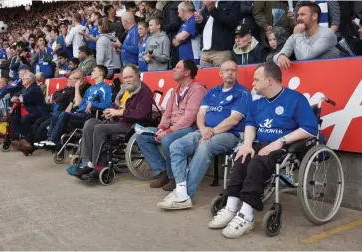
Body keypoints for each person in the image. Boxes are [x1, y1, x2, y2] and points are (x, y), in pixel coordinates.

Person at [207, 62, 318, 239]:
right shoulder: (257, 103)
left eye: (256, 79)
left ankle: (247, 214)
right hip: (261, 143)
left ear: (269, 80)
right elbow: (250, 125)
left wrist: (280, 142)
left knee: (257, 163)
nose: (253, 83)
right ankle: (231, 205)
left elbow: (310, 129)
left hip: (285, 146)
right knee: (242, 157)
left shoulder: (296, 99)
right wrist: (247, 145)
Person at [157, 61, 252, 210]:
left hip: (229, 135)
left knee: (204, 147)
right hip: (204, 131)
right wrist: (203, 129)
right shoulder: (213, 91)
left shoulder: (243, 93)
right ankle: (181, 191)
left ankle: (184, 195)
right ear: (220, 73)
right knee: (176, 146)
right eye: (226, 70)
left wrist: (211, 132)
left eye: (233, 70)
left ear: (237, 73)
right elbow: (200, 114)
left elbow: (233, 120)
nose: (229, 73)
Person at [70, 64, 153, 178]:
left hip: (129, 125)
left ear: (138, 76)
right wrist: (110, 111)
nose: (128, 80)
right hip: (115, 121)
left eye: (130, 77)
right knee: (90, 123)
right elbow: (116, 104)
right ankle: (86, 162)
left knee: (99, 129)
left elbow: (140, 114)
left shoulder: (144, 92)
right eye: (125, 77)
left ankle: (97, 165)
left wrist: (120, 113)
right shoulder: (125, 89)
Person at [136, 59, 207, 190]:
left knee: (167, 139)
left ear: (187, 72)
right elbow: (167, 113)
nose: (173, 69)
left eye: (177, 67)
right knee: (142, 137)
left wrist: (168, 132)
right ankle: (162, 171)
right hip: (172, 128)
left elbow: (190, 118)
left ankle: (175, 177)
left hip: (189, 128)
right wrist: (161, 128)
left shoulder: (198, 89)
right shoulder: (175, 91)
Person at [37, 67, 112, 147]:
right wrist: (76, 88)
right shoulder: (90, 89)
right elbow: (79, 103)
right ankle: (49, 139)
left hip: (90, 116)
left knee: (64, 114)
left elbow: (108, 105)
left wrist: (94, 104)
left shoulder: (106, 88)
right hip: (80, 113)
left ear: (100, 73)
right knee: (57, 113)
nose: (91, 73)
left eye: (94, 71)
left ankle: (54, 140)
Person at [274, 2, 341, 69]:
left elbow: (305, 57)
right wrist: (281, 56)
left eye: (303, 14)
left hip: (330, 73)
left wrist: (297, 35)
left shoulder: (328, 33)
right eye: (298, 15)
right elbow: (276, 56)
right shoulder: (296, 35)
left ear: (314, 16)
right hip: (309, 75)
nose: (298, 18)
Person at [195, 1, 241, 67]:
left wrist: (213, 10)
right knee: (205, 77)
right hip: (204, 52)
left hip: (221, 52)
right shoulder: (205, 6)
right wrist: (199, 22)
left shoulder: (232, 3)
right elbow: (199, 30)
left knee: (222, 75)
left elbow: (232, 23)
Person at [10, 72, 47, 144]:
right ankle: (17, 137)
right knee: (14, 117)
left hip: (39, 112)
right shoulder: (25, 88)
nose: (22, 80)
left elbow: (23, 98)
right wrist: (16, 97)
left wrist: (18, 97)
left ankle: (27, 139)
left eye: (24, 78)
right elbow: (16, 96)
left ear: (30, 80)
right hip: (30, 111)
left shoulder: (35, 88)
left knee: (25, 118)